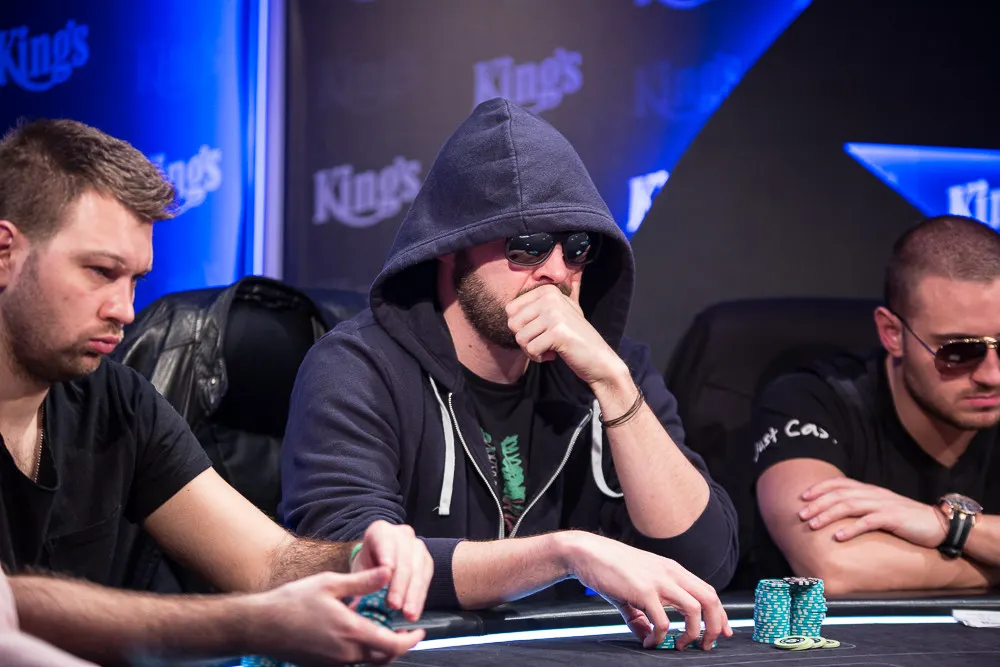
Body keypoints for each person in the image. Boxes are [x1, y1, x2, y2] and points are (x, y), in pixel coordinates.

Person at [279, 98, 739, 652]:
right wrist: (565, 553)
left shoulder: (614, 369)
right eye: (527, 247)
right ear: (451, 248)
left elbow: (705, 562)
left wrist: (614, 385)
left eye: (577, 248)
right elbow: (357, 562)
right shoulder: (357, 368)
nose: (558, 272)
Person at [0, 118, 432, 666]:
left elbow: (268, 562)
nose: (125, 310)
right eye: (101, 271)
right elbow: (8, 606)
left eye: (135, 280)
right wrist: (253, 624)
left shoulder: (118, 400)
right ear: (6, 253)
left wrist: (356, 562)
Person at [751, 215, 1000, 594]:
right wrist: (991, 565)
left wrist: (945, 525)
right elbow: (835, 566)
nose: (992, 375)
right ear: (892, 333)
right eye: (959, 351)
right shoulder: (810, 399)